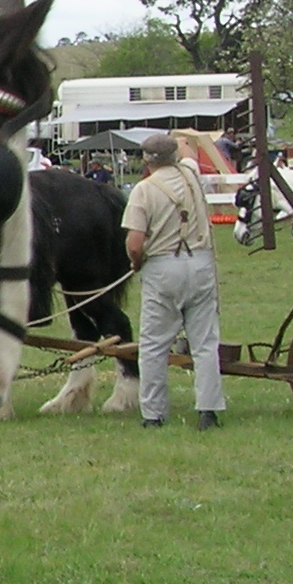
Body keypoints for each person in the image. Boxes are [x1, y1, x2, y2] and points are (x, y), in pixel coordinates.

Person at [123, 132, 226, 431]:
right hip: (201, 262)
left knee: (154, 345)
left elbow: (134, 242)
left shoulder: (143, 190)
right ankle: (208, 411)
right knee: (205, 343)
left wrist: (136, 262)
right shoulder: (191, 174)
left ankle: (154, 414)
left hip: (163, 267)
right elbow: (188, 148)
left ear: (146, 160)